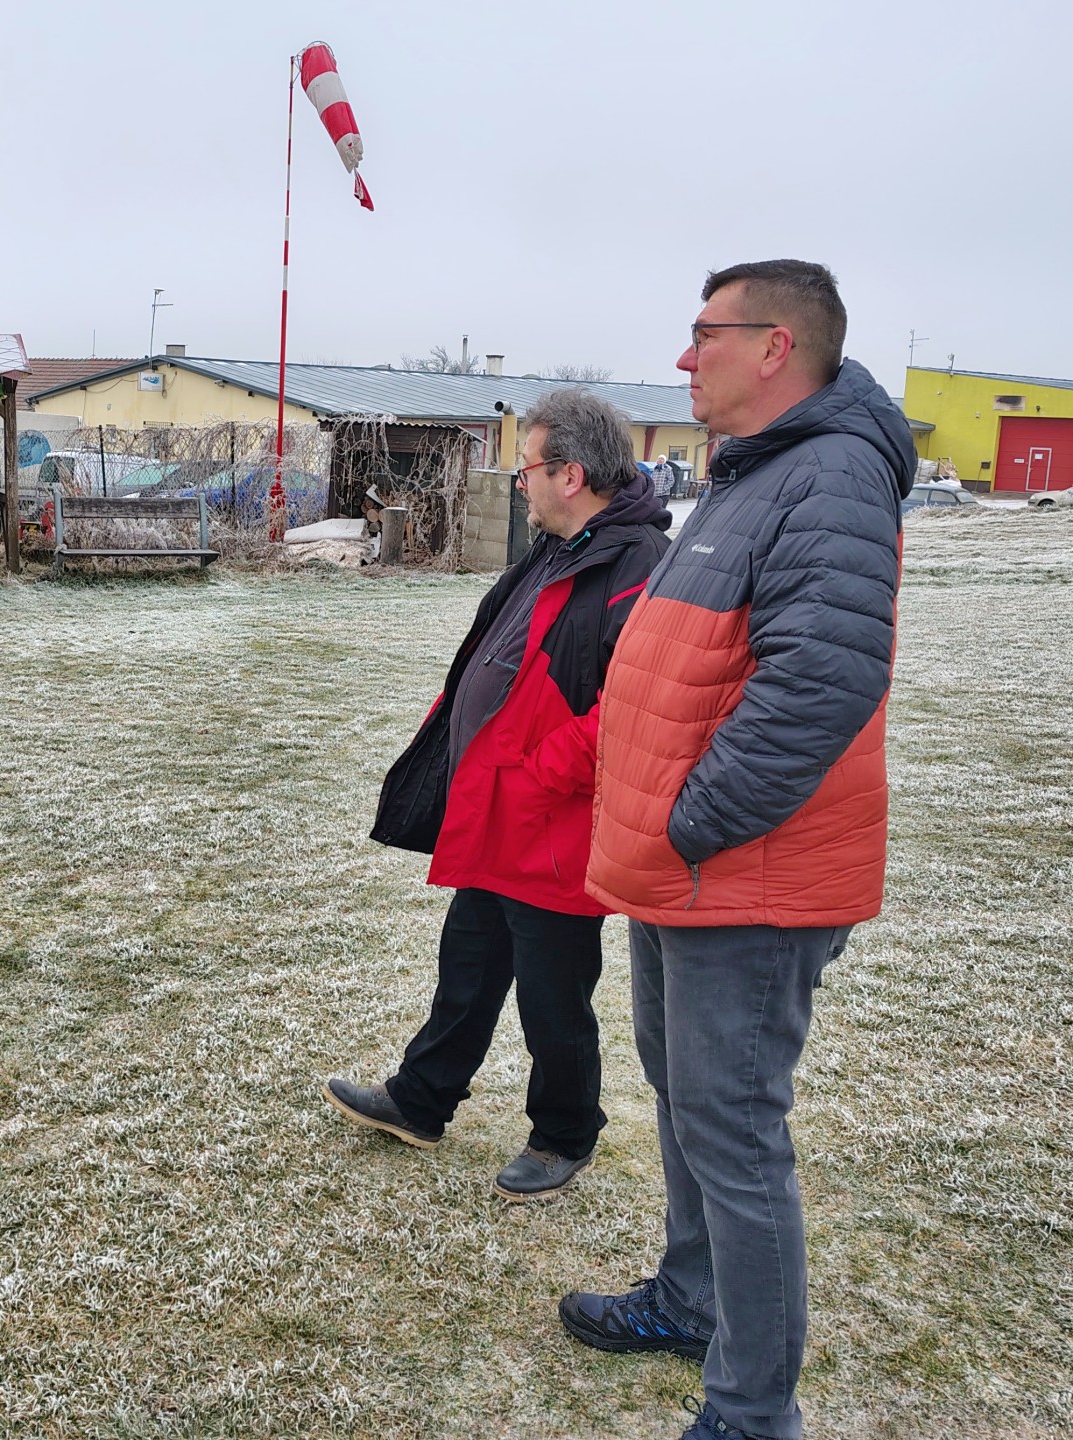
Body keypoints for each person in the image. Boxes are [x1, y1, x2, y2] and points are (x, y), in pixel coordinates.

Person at [560, 261, 914, 1440]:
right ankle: (692, 1301)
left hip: (745, 878)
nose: (683, 356)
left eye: (704, 334)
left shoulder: (832, 474)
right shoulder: (755, 472)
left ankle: (753, 1413)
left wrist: (690, 820)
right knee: (688, 1104)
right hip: (686, 873)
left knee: (735, 1133)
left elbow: (820, 685)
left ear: (775, 348)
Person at [325, 390, 671, 1200]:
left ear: (571, 475)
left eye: (528, 467)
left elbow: (635, 710)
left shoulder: (639, 566)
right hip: (500, 807)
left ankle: (565, 1133)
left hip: (555, 822)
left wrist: (539, 770)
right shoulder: (557, 548)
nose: (520, 482)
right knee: (469, 966)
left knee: (554, 995)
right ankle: (420, 1101)